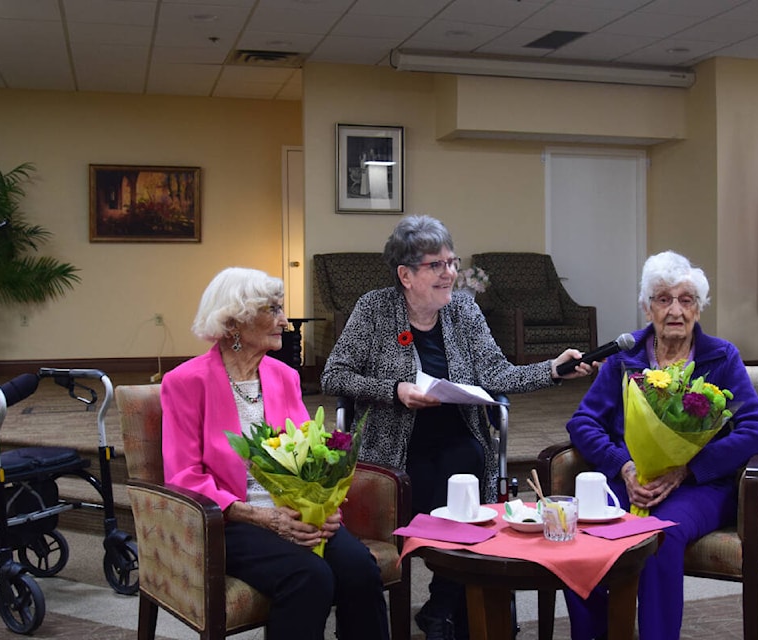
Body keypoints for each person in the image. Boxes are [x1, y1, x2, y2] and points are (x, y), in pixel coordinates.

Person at [321, 215, 592, 640]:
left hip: (458, 432)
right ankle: (444, 606)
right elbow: (334, 376)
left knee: (466, 468)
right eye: (436, 265)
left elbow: (497, 374)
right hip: (391, 444)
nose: (449, 273)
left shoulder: (464, 310)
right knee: (439, 481)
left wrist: (553, 370)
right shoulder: (373, 309)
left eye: (451, 262)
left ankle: (442, 606)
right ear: (405, 275)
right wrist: (396, 389)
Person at [161, 267, 389, 640]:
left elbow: (312, 452)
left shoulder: (284, 376)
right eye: (273, 310)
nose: (284, 321)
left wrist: (327, 509)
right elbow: (183, 474)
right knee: (309, 577)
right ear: (235, 320)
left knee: (359, 569)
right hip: (232, 520)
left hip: (297, 512)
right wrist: (262, 516)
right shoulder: (185, 382)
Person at [563, 250, 758, 640]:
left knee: (659, 536)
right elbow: (582, 422)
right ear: (647, 309)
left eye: (686, 300)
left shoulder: (721, 357)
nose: (675, 310)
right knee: (580, 532)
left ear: (698, 309)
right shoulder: (624, 358)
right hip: (627, 480)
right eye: (663, 299)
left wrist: (687, 469)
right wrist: (623, 465)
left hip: (700, 487)